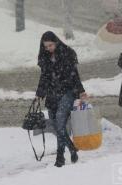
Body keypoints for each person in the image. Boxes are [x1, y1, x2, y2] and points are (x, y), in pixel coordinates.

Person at [35, 31, 88, 167]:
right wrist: (39, 94)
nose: (48, 49)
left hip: (67, 92)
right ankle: (71, 147)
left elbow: (74, 75)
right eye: (46, 47)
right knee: (57, 125)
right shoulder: (45, 58)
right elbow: (44, 77)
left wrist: (81, 91)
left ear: (56, 42)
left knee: (59, 122)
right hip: (52, 94)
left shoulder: (67, 54)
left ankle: (60, 157)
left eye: (50, 45)